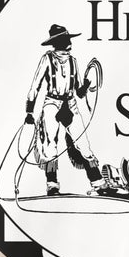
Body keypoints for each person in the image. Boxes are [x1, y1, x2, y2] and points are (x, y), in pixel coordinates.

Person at [23, 24, 115, 196]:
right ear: (58, 43)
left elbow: (79, 91)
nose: (69, 43)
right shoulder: (47, 59)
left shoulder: (73, 61)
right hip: (52, 104)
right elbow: (35, 85)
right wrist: (29, 111)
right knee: (50, 145)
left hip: (70, 104)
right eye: (66, 40)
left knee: (83, 144)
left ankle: (98, 183)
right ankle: (52, 185)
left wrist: (86, 85)